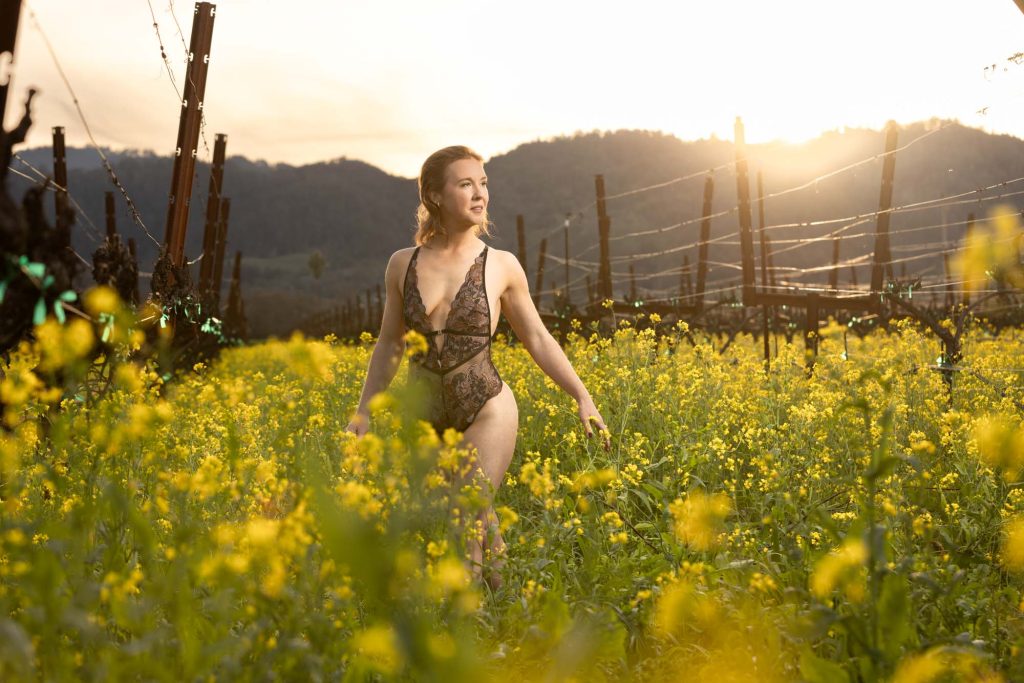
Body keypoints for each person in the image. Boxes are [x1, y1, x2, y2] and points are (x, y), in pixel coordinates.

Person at [345, 145, 610, 589]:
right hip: (425, 416)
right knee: (480, 519)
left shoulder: (502, 265)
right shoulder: (400, 264)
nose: (480, 193)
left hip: (486, 403)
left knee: (464, 511)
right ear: (434, 195)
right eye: (465, 183)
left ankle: (465, 626)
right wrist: (363, 410)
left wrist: (582, 396)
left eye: (483, 182)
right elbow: (390, 343)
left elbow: (539, 339)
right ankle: (506, 613)